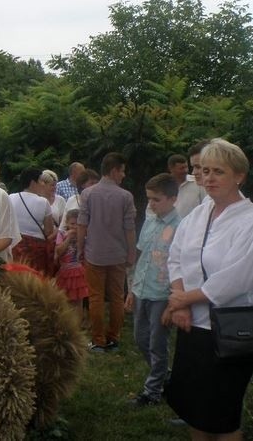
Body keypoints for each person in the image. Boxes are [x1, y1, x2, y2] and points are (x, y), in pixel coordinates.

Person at [165, 139, 253, 438]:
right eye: (204, 171)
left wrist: (180, 300)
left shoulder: (249, 220)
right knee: (194, 408)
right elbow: (175, 255)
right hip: (192, 326)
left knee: (222, 414)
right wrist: (184, 304)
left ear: (239, 175)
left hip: (229, 330)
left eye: (218, 171)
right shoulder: (200, 213)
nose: (209, 178)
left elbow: (236, 278)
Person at [124, 173, 180, 407]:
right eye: (149, 199)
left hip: (162, 295)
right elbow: (142, 257)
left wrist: (174, 301)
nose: (151, 204)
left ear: (172, 199)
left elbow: (182, 267)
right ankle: (166, 376)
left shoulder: (181, 227)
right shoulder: (150, 221)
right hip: (141, 290)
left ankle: (152, 392)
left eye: (156, 199)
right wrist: (131, 289)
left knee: (157, 343)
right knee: (140, 339)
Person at [77, 152, 137, 352]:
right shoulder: (126, 196)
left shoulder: (88, 194)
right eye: (122, 171)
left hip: (94, 255)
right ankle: (114, 337)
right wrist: (131, 253)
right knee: (117, 297)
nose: (124, 175)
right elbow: (130, 229)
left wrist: (79, 248)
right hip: (118, 255)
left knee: (96, 298)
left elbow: (82, 225)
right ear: (114, 170)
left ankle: (98, 340)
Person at [10, 167, 56, 276]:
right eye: (41, 180)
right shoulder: (43, 202)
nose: (43, 184)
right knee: (36, 278)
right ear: (32, 182)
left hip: (16, 245)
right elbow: (49, 231)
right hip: (36, 249)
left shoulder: (11, 197)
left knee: (17, 276)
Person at [54, 209, 89, 322]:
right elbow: (59, 251)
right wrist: (68, 238)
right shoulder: (61, 234)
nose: (74, 227)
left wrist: (80, 238)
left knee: (78, 301)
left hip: (78, 271)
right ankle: (67, 323)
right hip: (65, 271)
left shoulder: (84, 235)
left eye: (78, 224)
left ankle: (78, 326)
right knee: (65, 299)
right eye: (72, 224)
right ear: (67, 223)